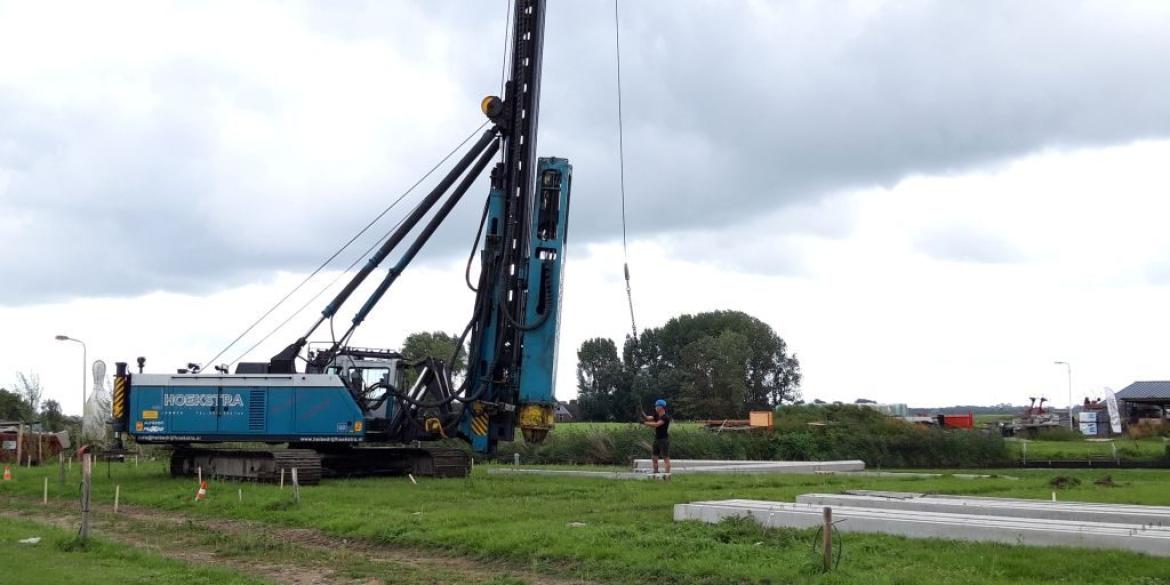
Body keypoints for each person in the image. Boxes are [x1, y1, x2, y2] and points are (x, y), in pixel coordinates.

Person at [643, 398, 671, 476]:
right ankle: (655, 473)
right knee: (654, 457)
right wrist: (641, 413)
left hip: (664, 440)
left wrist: (645, 423)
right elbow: (648, 418)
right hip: (657, 439)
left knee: (666, 458)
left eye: (656, 406)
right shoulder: (657, 415)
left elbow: (656, 424)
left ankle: (667, 476)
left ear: (661, 407)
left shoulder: (665, 417)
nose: (655, 407)